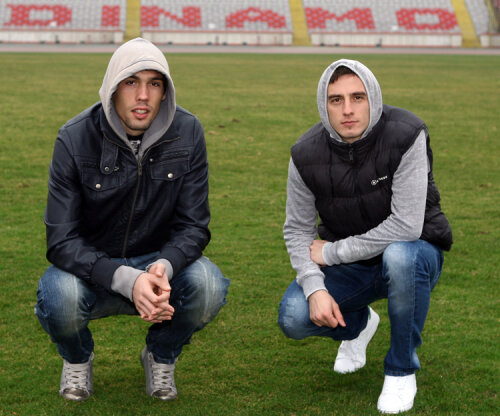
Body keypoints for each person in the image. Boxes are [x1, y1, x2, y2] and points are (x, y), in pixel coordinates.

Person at [35, 38, 229, 402]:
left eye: (154, 83)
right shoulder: (74, 138)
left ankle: (161, 355)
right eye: (131, 82)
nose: (143, 95)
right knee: (59, 296)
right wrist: (125, 278)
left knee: (208, 285)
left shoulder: (188, 131)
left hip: (157, 267)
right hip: (92, 270)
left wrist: (164, 267)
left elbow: (193, 225)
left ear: (165, 91)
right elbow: (61, 240)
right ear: (112, 87)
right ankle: (77, 358)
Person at [278, 59, 452, 414]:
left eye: (357, 97)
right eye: (336, 100)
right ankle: (358, 324)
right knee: (294, 316)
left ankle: (401, 369)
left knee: (400, 256)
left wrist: (332, 253)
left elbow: (406, 226)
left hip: (415, 255)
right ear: (323, 105)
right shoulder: (304, 154)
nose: (348, 110)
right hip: (354, 268)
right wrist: (314, 287)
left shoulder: (407, 133)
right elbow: (297, 229)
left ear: (373, 97)